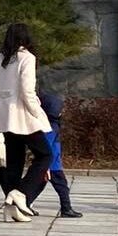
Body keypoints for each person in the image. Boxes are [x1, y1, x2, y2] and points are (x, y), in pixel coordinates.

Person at [0, 22, 50, 224]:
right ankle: (21, 193)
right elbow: (27, 90)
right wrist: (37, 113)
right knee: (45, 155)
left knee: (14, 162)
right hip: (23, 114)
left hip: (5, 114)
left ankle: (12, 209)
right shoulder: (27, 58)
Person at [35, 90, 81, 219]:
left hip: (51, 163)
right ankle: (66, 209)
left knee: (37, 186)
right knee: (62, 187)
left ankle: (24, 204)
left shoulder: (50, 125)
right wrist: (47, 166)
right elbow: (47, 148)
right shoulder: (51, 127)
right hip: (52, 165)